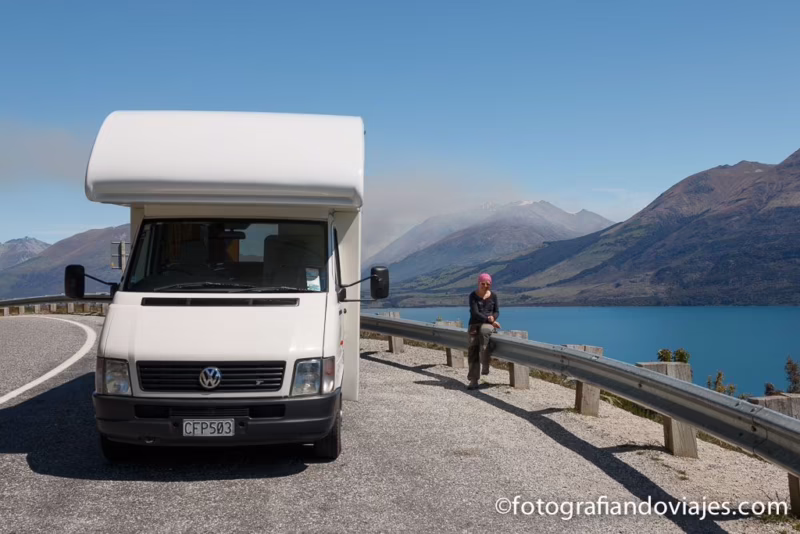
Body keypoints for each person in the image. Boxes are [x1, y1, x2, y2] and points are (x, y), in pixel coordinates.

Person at [466, 273, 500, 390]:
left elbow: (496, 311)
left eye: (488, 284)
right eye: (483, 283)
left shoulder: (493, 296)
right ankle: (473, 379)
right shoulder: (473, 296)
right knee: (473, 350)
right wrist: (489, 320)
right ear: (478, 283)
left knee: (485, 333)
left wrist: (493, 318)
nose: (485, 286)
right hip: (475, 324)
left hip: (487, 325)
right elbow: (475, 313)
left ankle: (485, 363)